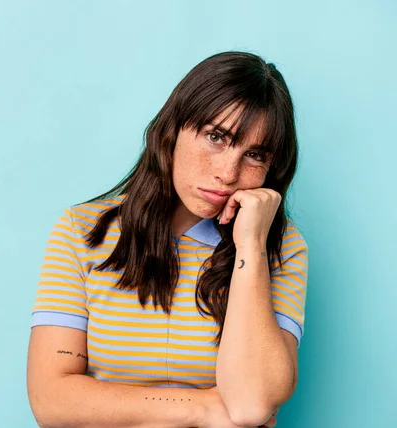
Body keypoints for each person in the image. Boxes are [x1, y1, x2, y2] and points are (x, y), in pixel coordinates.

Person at [26, 51, 308, 428]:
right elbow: (52, 399)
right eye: (215, 137)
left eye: (254, 155)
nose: (227, 173)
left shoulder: (280, 248)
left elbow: (251, 406)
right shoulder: (83, 231)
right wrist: (202, 407)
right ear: (172, 129)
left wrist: (251, 248)